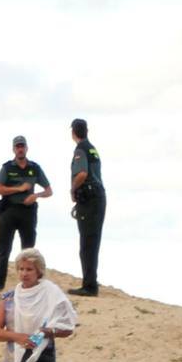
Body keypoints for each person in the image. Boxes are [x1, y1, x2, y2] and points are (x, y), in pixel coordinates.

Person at [0, 135, 53, 292]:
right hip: (10, 209)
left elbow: (49, 191)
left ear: (26, 148)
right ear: (14, 149)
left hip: (28, 211)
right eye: (17, 147)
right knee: (4, 249)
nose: (20, 149)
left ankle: (31, 284)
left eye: (22, 146)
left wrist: (36, 195)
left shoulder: (35, 168)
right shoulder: (7, 167)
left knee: (29, 250)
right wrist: (17, 189)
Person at [68, 118, 105, 297]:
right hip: (98, 196)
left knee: (87, 244)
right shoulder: (93, 149)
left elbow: (82, 173)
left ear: (73, 132)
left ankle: (89, 285)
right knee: (93, 242)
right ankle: (91, 282)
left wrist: (73, 189)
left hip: (89, 198)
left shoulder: (81, 149)